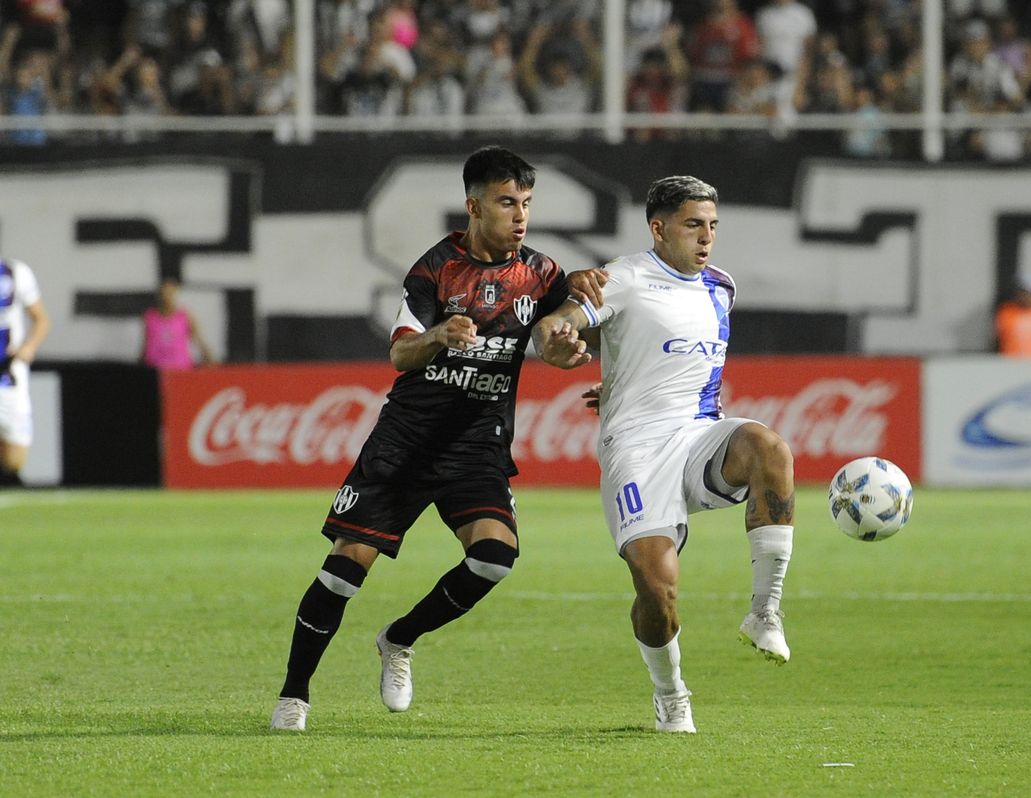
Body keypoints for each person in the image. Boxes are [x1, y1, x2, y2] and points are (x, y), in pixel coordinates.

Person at [269, 145, 604, 732]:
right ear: (473, 207)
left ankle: (399, 638)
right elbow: (401, 352)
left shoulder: (542, 273)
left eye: (526, 203)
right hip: (407, 443)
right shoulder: (434, 270)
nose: (520, 216)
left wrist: (566, 343)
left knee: (495, 559)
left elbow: (559, 329)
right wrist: (439, 336)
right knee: (344, 571)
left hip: (477, 446)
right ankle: (294, 696)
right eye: (507, 202)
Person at [531, 176, 795, 734]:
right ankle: (670, 692)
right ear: (658, 228)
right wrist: (555, 340)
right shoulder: (624, 277)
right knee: (656, 586)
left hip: (700, 436)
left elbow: (660, 351)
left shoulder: (721, 287)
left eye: (713, 226)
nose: (707, 237)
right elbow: (564, 321)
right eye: (693, 225)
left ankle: (764, 610)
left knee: (770, 448)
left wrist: (624, 374)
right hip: (636, 447)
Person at [0, 256, 52, 487]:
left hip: (9, 376)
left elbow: (41, 319)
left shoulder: (15, 272)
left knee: (14, 462)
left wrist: (28, 347)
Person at [141, 278, 215, 370]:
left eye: (169, 294)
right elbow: (146, 342)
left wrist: (208, 355)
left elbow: (197, 338)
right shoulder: (150, 316)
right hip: (155, 366)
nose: (166, 297)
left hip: (179, 368)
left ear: (174, 295)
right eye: (163, 294)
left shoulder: (184, 316)